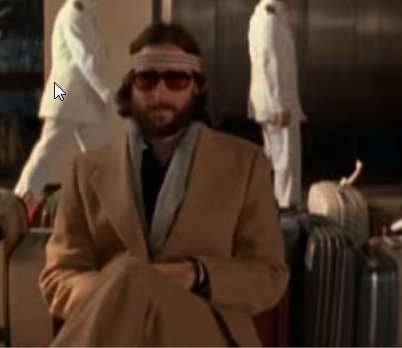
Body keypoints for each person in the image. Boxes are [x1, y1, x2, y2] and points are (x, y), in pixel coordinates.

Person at [40, 22, 287, 346]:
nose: (160, 94)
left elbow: (269, 276)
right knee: (129, 276)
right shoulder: (86, 171)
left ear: (196, 87)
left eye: (176, 80)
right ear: (131, 87)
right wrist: (121, 291)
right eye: (147, 79)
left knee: (129, 274)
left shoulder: (246, 163)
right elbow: (59, 276)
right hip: (119, 333)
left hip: (207, 329)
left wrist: (195, 274)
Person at [15, 0, 115, 206]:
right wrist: (108, 92)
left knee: (98, 157)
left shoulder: (83, 12)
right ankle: (22, 200)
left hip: (77, 96)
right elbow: (85, 59)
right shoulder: (74, 14)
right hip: (64, 92)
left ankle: (106, 204)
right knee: (49, 148)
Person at [247, 0, 305, 208]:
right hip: (277, 104)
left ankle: (278, 209)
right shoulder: (267, 18)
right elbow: (267, 64)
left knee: (278, 160)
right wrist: (277, 106)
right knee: (285, 162)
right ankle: (286, 211)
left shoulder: (275, 15)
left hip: (279, 102)